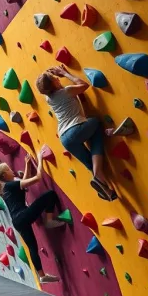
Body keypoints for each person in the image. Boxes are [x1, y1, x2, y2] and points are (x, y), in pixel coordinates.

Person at [35, 65, 116, 201]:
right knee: (96, 123)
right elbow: (83, 85)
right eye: (55, 79)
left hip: (65, 139)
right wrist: (65, 73)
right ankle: (98, 174)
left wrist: (53, 80)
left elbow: (49, 86)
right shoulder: (66, 92)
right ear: (55, 83)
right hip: (76, 129)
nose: (57, 78)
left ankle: (107, 191)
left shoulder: (49, 99)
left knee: (90, 163)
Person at [0, 153, 63, 284]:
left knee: (32, 247)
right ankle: (48, 221)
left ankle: (41, 276)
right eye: (8, 170)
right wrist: (40, 159)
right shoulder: (10, 186)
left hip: (18, 222)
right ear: (4, 176)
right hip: (22, 216)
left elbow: (24, 183)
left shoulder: (7, 187)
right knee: (50, 194)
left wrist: (27, 165)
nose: (11, 170)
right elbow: (38, 178)